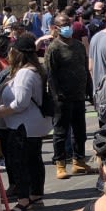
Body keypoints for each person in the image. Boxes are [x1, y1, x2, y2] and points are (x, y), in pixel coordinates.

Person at [0, 33, 51, 211]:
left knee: (21, 162)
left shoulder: (25, 73)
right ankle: (35, 196)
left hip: (22, 125)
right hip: (32, 124)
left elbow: (21, 102)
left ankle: (24, 200)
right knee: (34, 160)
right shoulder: (34, 70)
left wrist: (1, 111)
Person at [43, 14, 90, 179]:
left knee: (80, 132)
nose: (67, 27)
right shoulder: (54, 48)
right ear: (56, 28)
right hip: (62, 98)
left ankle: (79, 161)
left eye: (68, 24)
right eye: (63, 24)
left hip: (78, 95)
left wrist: (88, 90)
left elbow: (84, 67)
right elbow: (51, 75)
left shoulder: (78, 45)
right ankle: (60, 163)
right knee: (61, 132)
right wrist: (56, 96)